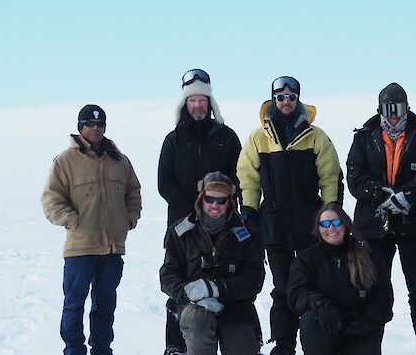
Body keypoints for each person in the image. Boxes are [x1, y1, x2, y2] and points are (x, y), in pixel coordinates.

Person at [237, 75, 344, 354]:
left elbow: (330, 177)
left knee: (316, 282)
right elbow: (247, 178)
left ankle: (319, 341)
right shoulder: (258, 138)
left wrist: (331, 211)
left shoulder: (316, 136)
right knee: (282, 288)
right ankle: (283, 345)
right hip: (274, 224)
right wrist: (248, 212)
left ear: (298, 99)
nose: (286, 101)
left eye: (291, 97)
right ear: (273, 99)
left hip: (310, 223)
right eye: (281, 97)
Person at [346, 82, 416, 353]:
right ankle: (367, 345)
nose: (393, 115)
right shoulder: (364, 137)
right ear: (379, 110)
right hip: (374, 226)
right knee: (372, 288)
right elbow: (355, 177)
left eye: (398, 108)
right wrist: (380, 194)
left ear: (407, 107)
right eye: (387, 109)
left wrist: (407, 195)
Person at [42, 104, 142, 355]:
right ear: (80, 127)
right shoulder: (65, 161)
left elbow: (133, 193)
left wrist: (128, 219)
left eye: (101, 124)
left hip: (111, 247)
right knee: (74, 303)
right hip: (80, 247)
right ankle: (74, 349)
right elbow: (51, 199)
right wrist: (72, 220)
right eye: (90, 124)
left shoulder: (120, 161)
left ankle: (101, 348)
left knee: (105, 302)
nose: (96, 128)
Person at [158, 68, 243, 355]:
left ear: (210, 104)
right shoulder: (173, 140)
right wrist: (193, 211)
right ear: (184, 104)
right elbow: (164, 182)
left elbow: (239, 176)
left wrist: (226, 208)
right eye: (192, 100)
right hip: (183, 226)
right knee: (180, 283)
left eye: (203, 100)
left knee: (227, 278)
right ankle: (175, 346)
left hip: (223, 223)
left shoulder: (227, 137)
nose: (198, 106)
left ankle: (237, 340)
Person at [160, 172, 265, 355]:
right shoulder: (180, 232)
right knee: (198, 323)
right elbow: (168, 275)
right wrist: (190, 292)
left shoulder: (248, 232)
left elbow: (254, 278)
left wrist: (219, 289)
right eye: (209, 199)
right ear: (201, 199)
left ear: (230, 202)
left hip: (236, 306)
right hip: (192, 307)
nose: (215, 205)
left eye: (222, 200)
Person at [286, 202, 394, 355]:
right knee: (310, 319)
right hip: (325, 325)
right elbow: (297, 293)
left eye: (336, 222)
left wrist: (370, 321)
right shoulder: (306, 259)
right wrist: (321, 305)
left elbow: (383, 296)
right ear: (318, 228)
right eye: (325, 224)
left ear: (345, 225)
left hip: (359, 327)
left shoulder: (368, 256)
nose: (331, 228)